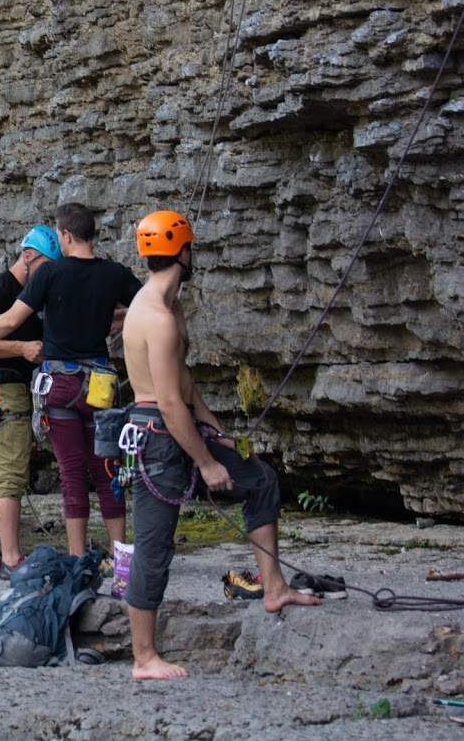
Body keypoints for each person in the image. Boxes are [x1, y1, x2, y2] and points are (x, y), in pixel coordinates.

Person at [121, 210, 321, 680]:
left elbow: (184, 383)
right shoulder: (155, 316)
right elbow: (169, 402)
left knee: (260, 479)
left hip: (179, 425)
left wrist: (217, 431)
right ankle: (144, 658)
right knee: (153, 545)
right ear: (184, 252)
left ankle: (273, 588)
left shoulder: (171, 307)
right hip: (157, 435)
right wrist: (207, 461)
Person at [0, 202, 141, 557]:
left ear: (67, 235)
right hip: (100, 384)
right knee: (108, 470)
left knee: (72, 473)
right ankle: (121, 559)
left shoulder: (48, 275)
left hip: (61, 385)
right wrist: (111, 318)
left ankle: (76, 560)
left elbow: (11, 320)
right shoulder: (114, 273)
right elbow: (148, 303)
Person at [0, 225, 59, 576]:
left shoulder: (28, 292)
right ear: (29, 257)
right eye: (48, 266)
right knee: (9, 476)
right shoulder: (0, 289)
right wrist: (20, 348)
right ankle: (11, 558)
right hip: (2, 390)